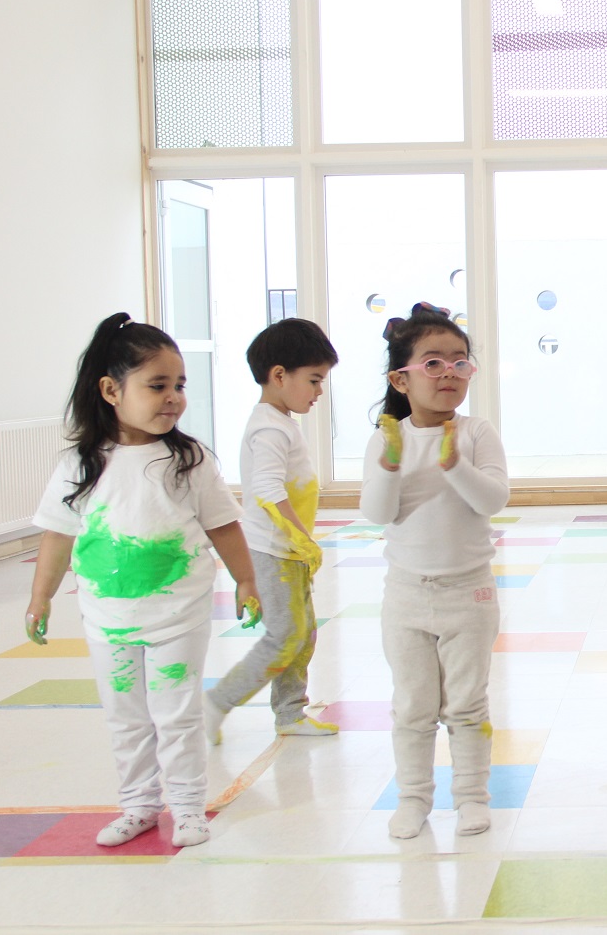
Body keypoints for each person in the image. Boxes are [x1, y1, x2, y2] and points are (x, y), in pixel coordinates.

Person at [26, 313, 258, 848]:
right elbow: (58, 537)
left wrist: (246, 580)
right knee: (125, 718)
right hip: (108, 621)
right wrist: (40, 598)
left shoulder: (188, 460)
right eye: (157, 385)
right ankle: (139, 805)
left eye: (179, 385)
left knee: (175, 716)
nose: (173, 397)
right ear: (111, 389)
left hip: (178, 616)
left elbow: (223, 525)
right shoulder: (80, 464)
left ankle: (187, 806)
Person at [360, 303, 508, 839]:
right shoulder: (386, 437)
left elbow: (492, 500)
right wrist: (392, 460)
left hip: (469, 593)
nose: (449, 372)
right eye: (433, 363)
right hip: (405, 596)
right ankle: (413, 801)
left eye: (459, 362)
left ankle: (471, 797)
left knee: (468, 704)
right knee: (413, 707)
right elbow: (378, 513)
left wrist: (454, 465)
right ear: (401, 377)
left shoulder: (475, 432)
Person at [205, 318, 340, 744]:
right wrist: (302, 537)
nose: (319, 391)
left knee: (303, 634)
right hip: (273, 551)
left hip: (289, 551)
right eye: (314, 380)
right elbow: (265, 488)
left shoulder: (280, 422)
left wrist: (301, 544)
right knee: (285, 637)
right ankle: (216, 704)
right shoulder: (268, 427)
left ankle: (291, 714)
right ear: (279, 375)